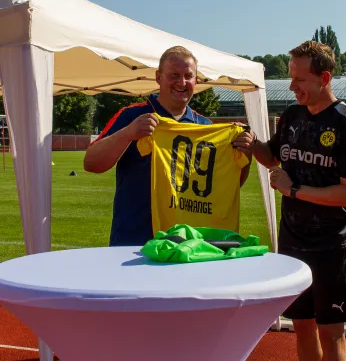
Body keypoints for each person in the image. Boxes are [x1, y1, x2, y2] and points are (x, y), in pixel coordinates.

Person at [233, 41, 346, 361]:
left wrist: (293, 190)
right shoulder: (292, 116)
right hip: (293, 239)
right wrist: (253, 144)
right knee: (303, 327)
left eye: (299, 79)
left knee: (331, 332)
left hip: (331, 243)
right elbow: (272, 158)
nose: (292, 86)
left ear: (324, 78)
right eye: (291, 78)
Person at [84, 46, 253, 246]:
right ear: (158, 77)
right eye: (174, 75)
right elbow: (91, 163)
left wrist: (245, 156)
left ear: (196, 81)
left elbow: (223, 187)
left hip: (187, 246)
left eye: (188, 76)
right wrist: (128, 133)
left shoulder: (206, 128)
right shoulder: (132, 116)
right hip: (135, 243)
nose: (181, 82)